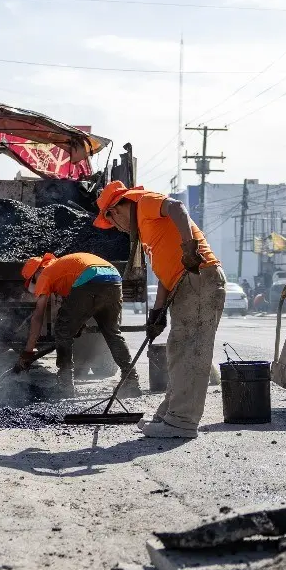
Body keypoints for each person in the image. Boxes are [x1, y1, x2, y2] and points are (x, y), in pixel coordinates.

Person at [94, 181, 225, 440]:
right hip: (184, 284)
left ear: (116, 209)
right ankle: (169, 416)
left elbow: (177, 207)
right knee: (179, 351)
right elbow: (165, 274)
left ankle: (182, 422)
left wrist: (190, 246)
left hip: (199, 278)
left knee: (189, 351)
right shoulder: (146, 232)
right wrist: (158, 312)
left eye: (114, 223)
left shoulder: (144, 203)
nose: (118, 229)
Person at [16, 252, 138, 399]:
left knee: (62, 330)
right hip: (113, 277)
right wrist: (78, 323)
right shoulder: (64, 268)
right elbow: (81, 305)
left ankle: (65, 385)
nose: (37, 284)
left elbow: (38, 316)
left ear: (37, 271)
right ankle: (131, 381)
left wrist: (28, 352)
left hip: (91, 278)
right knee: (112, 332)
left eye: (33, 280)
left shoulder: (45, 274)